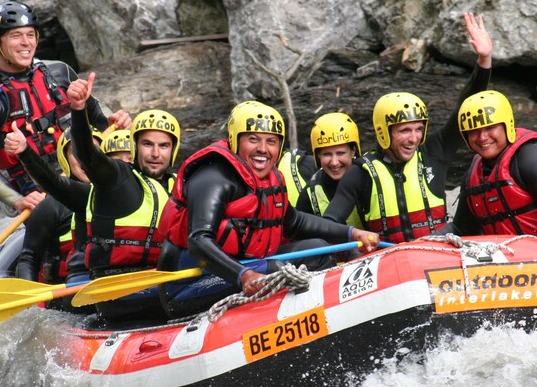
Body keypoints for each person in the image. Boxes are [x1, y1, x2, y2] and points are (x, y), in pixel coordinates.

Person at [157, 100, 380, 320]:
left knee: (319, 250)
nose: (263, 149)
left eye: (271, 141)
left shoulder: (272, 178)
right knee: (279, 267)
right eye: (253, 139)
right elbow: (198, 240)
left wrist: (351, 233)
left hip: (249, 265)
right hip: (190, 283)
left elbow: (295, 223)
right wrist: (244, 276)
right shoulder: (213, 177)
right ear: (235, 140)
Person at [324, 12, 493, 242]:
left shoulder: (434, 152)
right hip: (390, 264)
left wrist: (484, 62)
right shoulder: (360, 172)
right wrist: (353, 242)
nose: (413, 138)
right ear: (384, 131)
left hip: (437, 254)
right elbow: (330, 222)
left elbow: (464, 108)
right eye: (404, 130)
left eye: (417, 129)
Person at [0, 0, 125, 212]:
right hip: (39, 192)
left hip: (84, 175)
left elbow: (99, 117)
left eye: (30, 35)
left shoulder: (60, 72)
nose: (26, 42)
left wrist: (115, 120)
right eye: (16, 36)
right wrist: (17, 201)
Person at [439, 90, 537, 274]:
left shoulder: (534, 157)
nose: (482, 137)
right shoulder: (473, 174)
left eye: (490, 128)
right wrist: (418, 245)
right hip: (521, 262)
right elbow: (461, 228)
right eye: (474, 131)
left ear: (506, 125)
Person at [67, 73, 179, 323]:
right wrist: (79, 110)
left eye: (164, 146)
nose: (155, 153)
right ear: (134, 147)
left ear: (173, 150)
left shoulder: (179, 185)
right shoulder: (117, 178)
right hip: (117, 291)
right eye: (147, 144)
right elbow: (87, 154)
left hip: (160, 280)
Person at [4, 124, 104, 293]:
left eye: (93, 150)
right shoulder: (50, 207)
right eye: (77, 152)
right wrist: (32, 302)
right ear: (65, 159)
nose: (86, 158)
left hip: (105, 286)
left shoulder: (117, 196)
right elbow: (28, 260)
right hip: (64, 295)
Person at [296, 112, 364, 228]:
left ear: (353, 151)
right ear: (318, 156)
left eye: (340, 153)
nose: (334, 162)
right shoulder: (309, 194)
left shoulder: (369, 178)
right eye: (327, 154)